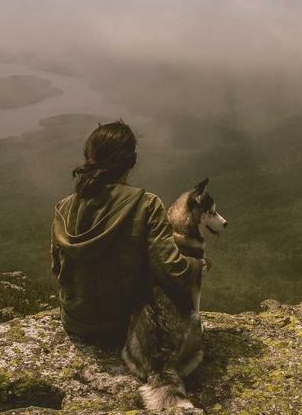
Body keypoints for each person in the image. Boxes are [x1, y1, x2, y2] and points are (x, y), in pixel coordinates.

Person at [50, 120, 202, 347]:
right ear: (131, 161)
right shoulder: (146, 204)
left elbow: (58, 268)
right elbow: (172, 271)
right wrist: (199, 265)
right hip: (126, 326)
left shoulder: (64, 207)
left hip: (75, 321)